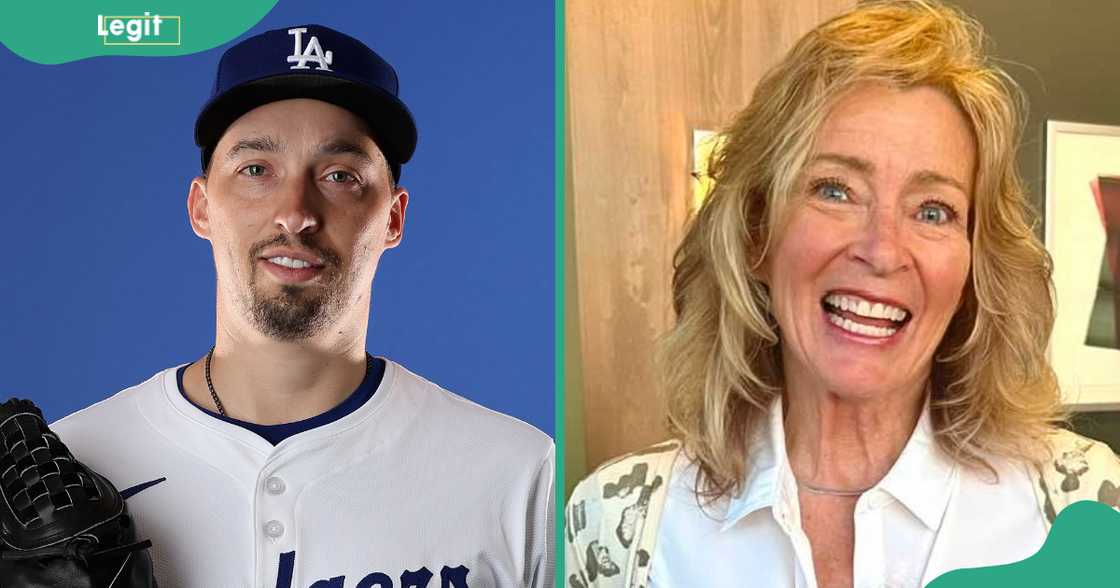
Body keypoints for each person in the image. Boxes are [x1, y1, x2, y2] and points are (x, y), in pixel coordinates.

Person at [565, 2, 1120, 587]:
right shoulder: (618, 525)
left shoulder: (1088, 503)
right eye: (835, 190)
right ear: (757, 232)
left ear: (974, 265)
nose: (882, 250)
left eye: (933, 210)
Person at [51, 24, 553, 588]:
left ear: (392, 217)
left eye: (340, 176)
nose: (295, 213)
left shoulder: (516, 473)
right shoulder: (70, 472)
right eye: (256, 171)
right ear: (201, 208)